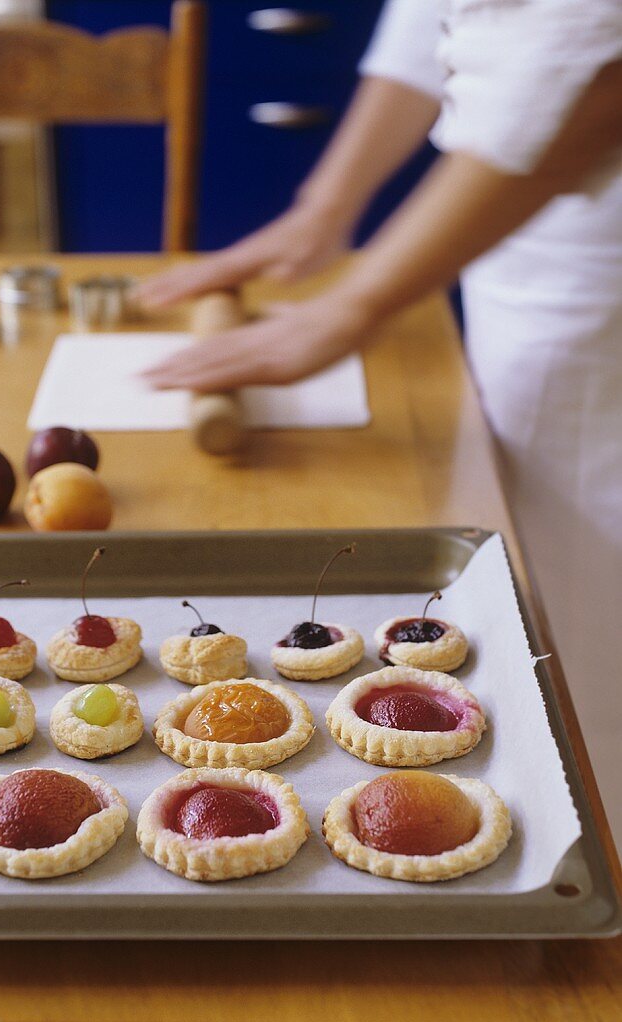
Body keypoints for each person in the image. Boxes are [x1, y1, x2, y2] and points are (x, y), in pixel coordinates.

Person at [138, 1, 622, 843]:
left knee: (589, 618)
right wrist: (326, 207)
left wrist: (355, 305)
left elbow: (601, 75)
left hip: (597, 246)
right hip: (507, 231)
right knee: (538, 564)